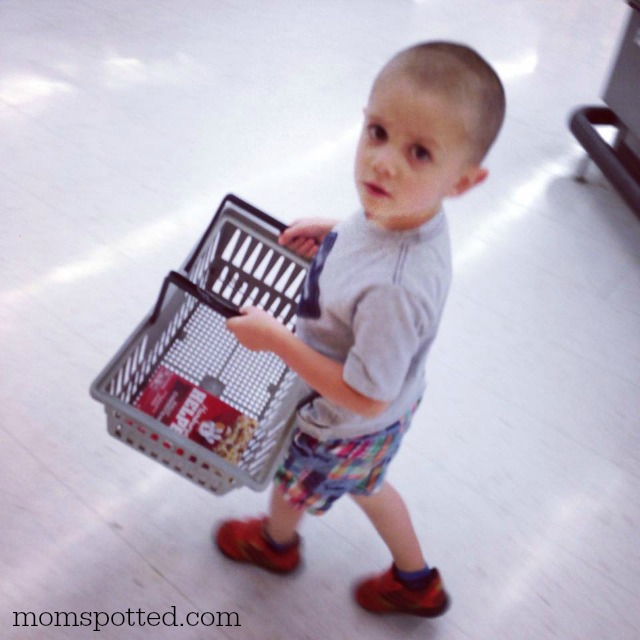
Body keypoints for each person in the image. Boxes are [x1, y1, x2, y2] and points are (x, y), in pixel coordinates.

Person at [215, 41, 506, 618]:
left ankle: (275, 545)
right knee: (369, 487)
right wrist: (337, 233)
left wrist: (276, 339)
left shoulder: (396, 288)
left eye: (419, 151)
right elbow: (377, 237)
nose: (384, 162)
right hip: (385, 411)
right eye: (377, 132)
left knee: (297, 482)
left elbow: (365, 394)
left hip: (345, 422)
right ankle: (415, 581)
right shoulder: (402, 210)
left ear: (463, 182)